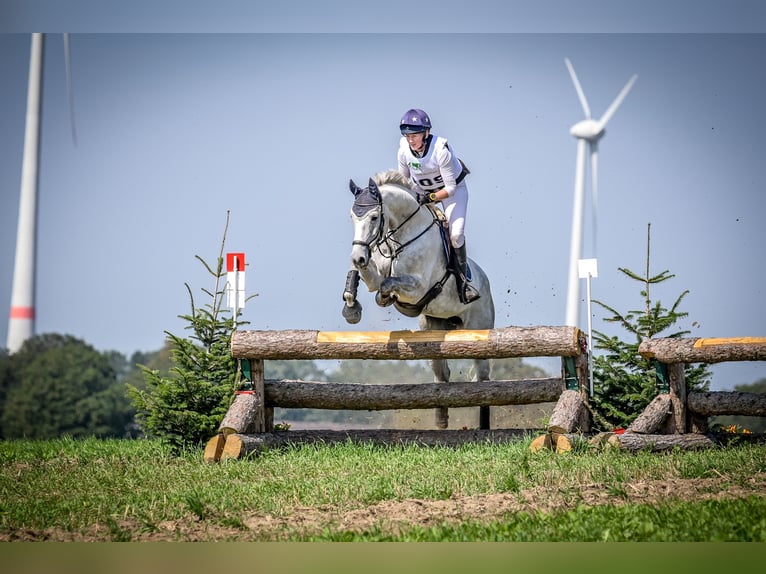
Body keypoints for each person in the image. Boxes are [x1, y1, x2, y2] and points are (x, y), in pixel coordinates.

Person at [397, 108, 480, 304]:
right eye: (408, 135)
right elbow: (404, 182)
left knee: (456, 234)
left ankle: (463, 284)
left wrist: (430, 198)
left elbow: (450, 189)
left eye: (415, 135)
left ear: (426, 134)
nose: (411, 140)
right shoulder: (403, 151)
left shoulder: (441, 150)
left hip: (452, 192)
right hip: (423, 193)